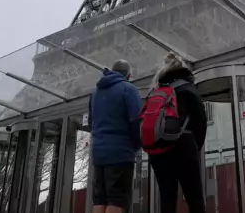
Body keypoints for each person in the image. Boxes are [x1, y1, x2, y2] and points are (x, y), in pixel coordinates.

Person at [148, 52, 208, 213]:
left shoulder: (156, 90)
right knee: (194, 198)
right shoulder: (188, 89)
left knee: (167, 199)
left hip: (159, 149)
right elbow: (201, 121)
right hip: (184, 145)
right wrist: (195, 147)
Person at [89, 59, 144, 213]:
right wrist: (135, 145)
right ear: (129, 75)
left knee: (99, 200)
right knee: (117, 200)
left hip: (98, 154)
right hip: (120, 153)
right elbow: (137, 120)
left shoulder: (95, 93)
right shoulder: (128, 89)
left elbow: (92, 122)